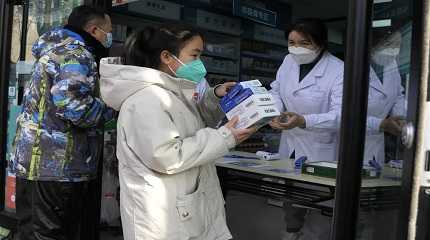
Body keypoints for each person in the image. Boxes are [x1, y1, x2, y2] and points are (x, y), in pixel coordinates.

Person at [99, 25, 256, 240]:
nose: (199, 63)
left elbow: (191, 121)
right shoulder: (147, 100)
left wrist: (216, 97)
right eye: (194, 55)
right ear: (167, 57)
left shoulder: (172, 93)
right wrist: (225, 137)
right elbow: (165, 156)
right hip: (164, 220)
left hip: (182, 212)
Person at [11, 5, 114, 240]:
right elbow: (74, 108)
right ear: (94, 30)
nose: (110, 36)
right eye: (108, 31)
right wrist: (113, 109)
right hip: (57, 168)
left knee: (31, 232)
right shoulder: (75, 55)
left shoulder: (54, 49)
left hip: (35, 163)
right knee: (50, 234)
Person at [269, 18, 344, 240]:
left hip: (321, 148)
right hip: (290, 143)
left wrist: (304, 120)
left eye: (304, 42)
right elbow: (276, 90)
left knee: (320, 205)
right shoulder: (288, 61)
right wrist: (272, 111)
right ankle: (292, 234)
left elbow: (342, 115)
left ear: (320, 43)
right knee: (291, 200)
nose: (296, 48)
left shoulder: (339, 70)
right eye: (292, 42)